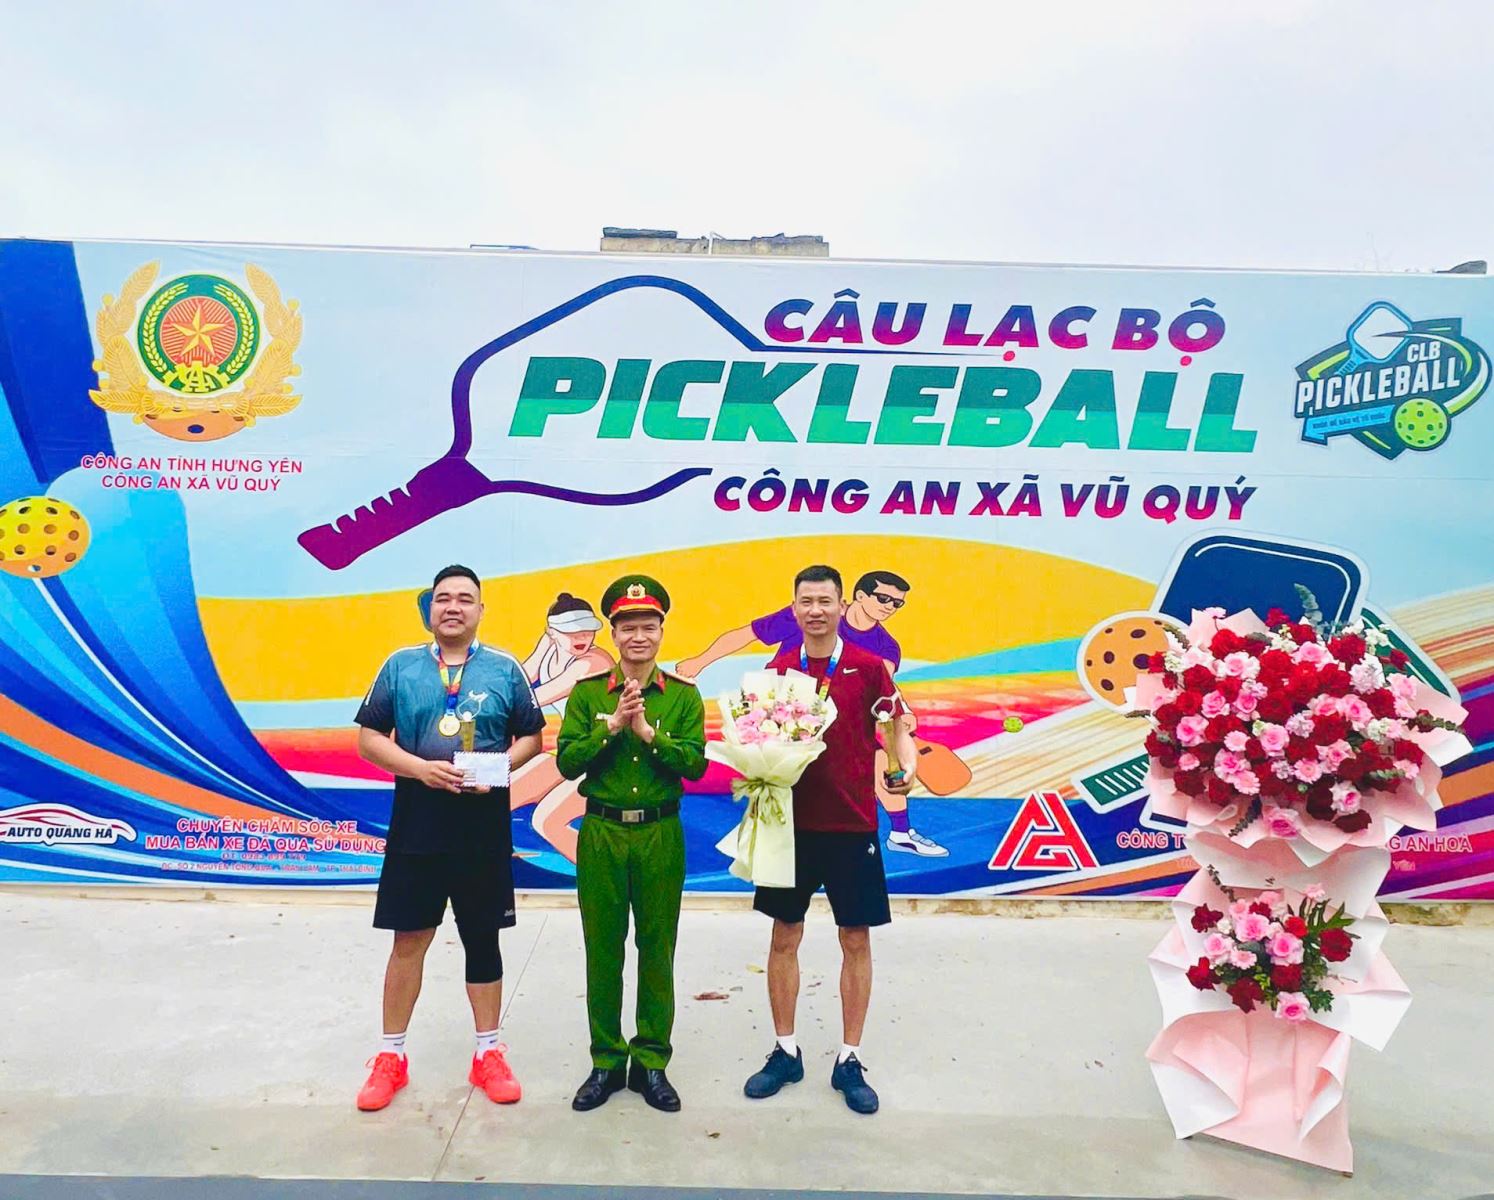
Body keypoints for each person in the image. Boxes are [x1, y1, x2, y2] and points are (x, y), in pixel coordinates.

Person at [353, 564, 545, 1113]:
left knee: (483, 937)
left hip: (481, 820)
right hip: (418, 817)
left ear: (481, 609)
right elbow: (369, 738)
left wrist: (497, 768)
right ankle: (390, 1056)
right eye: (443, 598)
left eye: (465, 598)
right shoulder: (400, 666)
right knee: (409, 938)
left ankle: (488, 1053)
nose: (453, 606)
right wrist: (419, 768)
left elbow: (532, 738)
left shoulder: (505, 668)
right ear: (430, 608)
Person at [742, 564, 917, 1115]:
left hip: (852, 823)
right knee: (783, 936)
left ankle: (849, 1059)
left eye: (825, 601)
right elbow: (756, 741)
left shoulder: (868, 666)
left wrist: (906, 766)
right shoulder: (778, 669)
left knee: (855, 939)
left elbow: (896, 725)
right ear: (794, 608)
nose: (815, 610)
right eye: (806, 601)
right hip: (789, 826)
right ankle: (785, 1051)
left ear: (842, 606)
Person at [556, 575, 707, 1113]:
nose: (638, 636)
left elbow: (695, 764)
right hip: (602, 833)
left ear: (662, 631)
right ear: (614, 635)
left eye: (648, 626)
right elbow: (567, 762)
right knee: (603, 947)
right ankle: (605, 1060)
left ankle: (651, 1062)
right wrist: (613, 726)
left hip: (660, 833)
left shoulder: (683, 696)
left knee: (657, 946)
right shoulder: (588, 694)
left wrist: (648, 734)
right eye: (628, 627)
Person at [675, 569, 949, 857]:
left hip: (846, 749)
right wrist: (699, 661)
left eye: (897, 603)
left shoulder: (885, 648)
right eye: (884, 598)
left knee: (879, 760)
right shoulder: (802, 625)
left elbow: (882, 690)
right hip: (788, 732)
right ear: (858, 596)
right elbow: (747, 634)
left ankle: (901, 832)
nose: (890, 607)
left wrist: (904, 727)